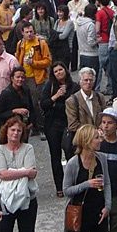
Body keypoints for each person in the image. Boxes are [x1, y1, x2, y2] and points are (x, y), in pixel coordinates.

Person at [63, 124, 111, 232]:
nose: (100, 140)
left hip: (99, 212)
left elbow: (107, 183)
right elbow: (66, 190)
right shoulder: (73, 163)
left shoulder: (101, 158)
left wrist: (108, 207)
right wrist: (87, 184)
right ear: (86, 141)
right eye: (96, 138)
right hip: (80, 213)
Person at [0, 115, 39, 232]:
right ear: (6, 131)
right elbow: (1, 173)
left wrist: (12, 173)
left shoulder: (28, 148)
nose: (15, 133)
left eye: (19, 130)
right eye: (12, 130)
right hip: (4, 201)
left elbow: (32, 173)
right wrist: (24, 172)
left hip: (27, 200)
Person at [40, 61, 77, 196]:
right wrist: (55, 96)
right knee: (55, 156)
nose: (58, 73)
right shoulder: (49, 86)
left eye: (60, 70)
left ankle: (71, 182)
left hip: (68, 123)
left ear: (65, 70)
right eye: (55, 71)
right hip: (52, 124)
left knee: (70, 152)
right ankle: (59, 186)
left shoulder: (74, 86)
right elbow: (43, 104)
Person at [13, 22, 51, 134]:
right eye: (27, 32)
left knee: (37, 103)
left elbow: (48, 61)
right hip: (24, 77)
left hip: (37, 78)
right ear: (22, 33)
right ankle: (32, 126)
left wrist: (33, 63)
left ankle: (42, 127)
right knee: (27, 103)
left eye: (31, 31)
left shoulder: (41, 43)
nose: (29, 34)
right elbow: (18, 59)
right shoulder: (20, 44)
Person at [65, 67, 108, 158]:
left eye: (91, 80)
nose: (88, 82)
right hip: (82, 144)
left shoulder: (100, 97)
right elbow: (73, 125)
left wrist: (102, 129)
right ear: (80, 82)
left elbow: (105, 118)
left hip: (100, 142)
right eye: (85, 80)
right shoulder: (72, 101)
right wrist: (93, 133)